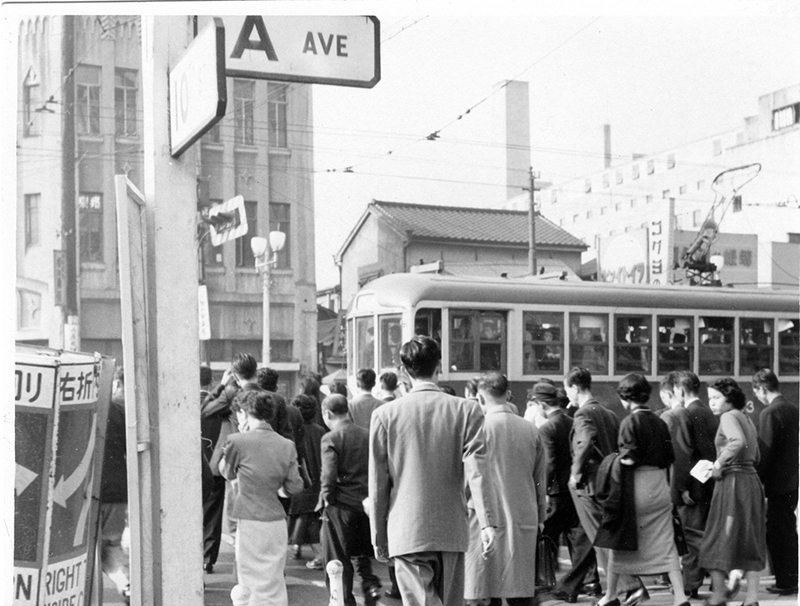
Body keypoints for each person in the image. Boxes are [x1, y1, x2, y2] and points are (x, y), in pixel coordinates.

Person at [369, 336, 497, 606]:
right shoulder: (467, 410)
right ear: (439, 365)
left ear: (404, 372)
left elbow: (379, 483)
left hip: (406, 530)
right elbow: (478, 470)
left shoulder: (385, 415)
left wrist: (379, 536)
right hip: (452, 529)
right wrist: (487, 522)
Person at [594, 373, 689, 606]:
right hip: (659, 487)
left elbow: (628, 460)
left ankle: (610, 595)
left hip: (635, 488)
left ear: (625, 398)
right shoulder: (660, 421)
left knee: (619, 541)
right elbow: (669, 458)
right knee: (666, 543)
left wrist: (611, 461)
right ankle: (680, 597)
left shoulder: (629, 422)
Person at [464, 372, 546, 606]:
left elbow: (469, 479)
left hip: (482, 520)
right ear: (508, 394)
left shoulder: (477, 430)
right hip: (523, 518)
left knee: (482, 590)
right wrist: (540, 515)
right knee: (518, 591)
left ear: (480, 398)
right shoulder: (531, 430)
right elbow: (540, 478)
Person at [565, 367, 644, 604]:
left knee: (600, 538)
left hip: (588, 484)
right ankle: (614, 593)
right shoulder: (609, 413)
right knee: (605, 537)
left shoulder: (582, 414)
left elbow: (585, 441)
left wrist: (574, 473)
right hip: (608, 482)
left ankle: (631, 586)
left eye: (567, 389)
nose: (567, 394)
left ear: (576, 388)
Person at [221, 390, 304, 606]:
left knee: (249, 584)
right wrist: (279, 491)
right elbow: (295, 486)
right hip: (276, 521)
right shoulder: (287, 445)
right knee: (274, 582)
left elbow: (227, 473)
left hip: (249, 520)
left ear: (245, 413)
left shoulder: (237, 441)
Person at [698, 378, 766, 606]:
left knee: (715, 539)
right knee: (750, 541)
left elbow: (736, 443)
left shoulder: (728, 417)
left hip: (732, 483)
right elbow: (754, 454)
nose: (712, 403)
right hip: (750, 481)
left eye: (716, 398)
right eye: (709, 398)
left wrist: (718, 464)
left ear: (729, 398)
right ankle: (752, 599)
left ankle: (718, 596)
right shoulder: (745, 417)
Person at [532, 381, 600, 603]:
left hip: (554, 493)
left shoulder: (546, 428)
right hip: (574, 490)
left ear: (542, 404)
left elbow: (549, 464)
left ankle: (544, 584)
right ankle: (574, 586)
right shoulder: (571, 421)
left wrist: (542, 491)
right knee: (580, 539)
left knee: (545, 538)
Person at [319, 394, 382, 606]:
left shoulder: (331, 438)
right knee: (361, 553)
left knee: (337, 557)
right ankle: (371, 584)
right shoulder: (367, 435)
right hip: (365, 504)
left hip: (341, 505)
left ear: (327, 413)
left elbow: (328, 474)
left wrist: (327, 498)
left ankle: (344, 600)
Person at [664, 370, 718, 597]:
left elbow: (688, 454)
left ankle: (692, 583)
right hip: (708, 483)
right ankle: (716, 579)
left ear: (681, 390)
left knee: (691, 536)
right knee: (704, 533)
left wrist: (685, 487)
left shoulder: (687, 414)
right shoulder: (707, 411)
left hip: (695, 486)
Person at [752, 369, 798, 595]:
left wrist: (756, 478)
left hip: (777, 483)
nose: (758, 398)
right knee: (788, 530)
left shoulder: (769, 413)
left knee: (777, 532)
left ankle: (784, 581)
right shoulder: (793, 409)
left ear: (761, 388)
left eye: (757, 392)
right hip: (792, 480)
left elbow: (765, 451)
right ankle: (790, 578)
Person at [100, 367, 131, 604]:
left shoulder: (79, 408)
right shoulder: (118, 409)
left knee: (82, 551)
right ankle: (125, 583)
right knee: (111, 545)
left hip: (80, 492)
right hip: (118, 491)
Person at [287, 395, 326, 568]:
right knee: (309, 517)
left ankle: (318, 555)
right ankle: (299, 547)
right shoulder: (320, 431)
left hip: (301, 478)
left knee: (302, 518)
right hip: (317, 479)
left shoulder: (294, 431)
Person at [200, 363, 228, 574]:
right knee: (213, 512)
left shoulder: (183, 401)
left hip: (188, 467)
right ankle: (208, 557)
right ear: (210, 382)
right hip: (214, 465)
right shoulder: (220, 405)